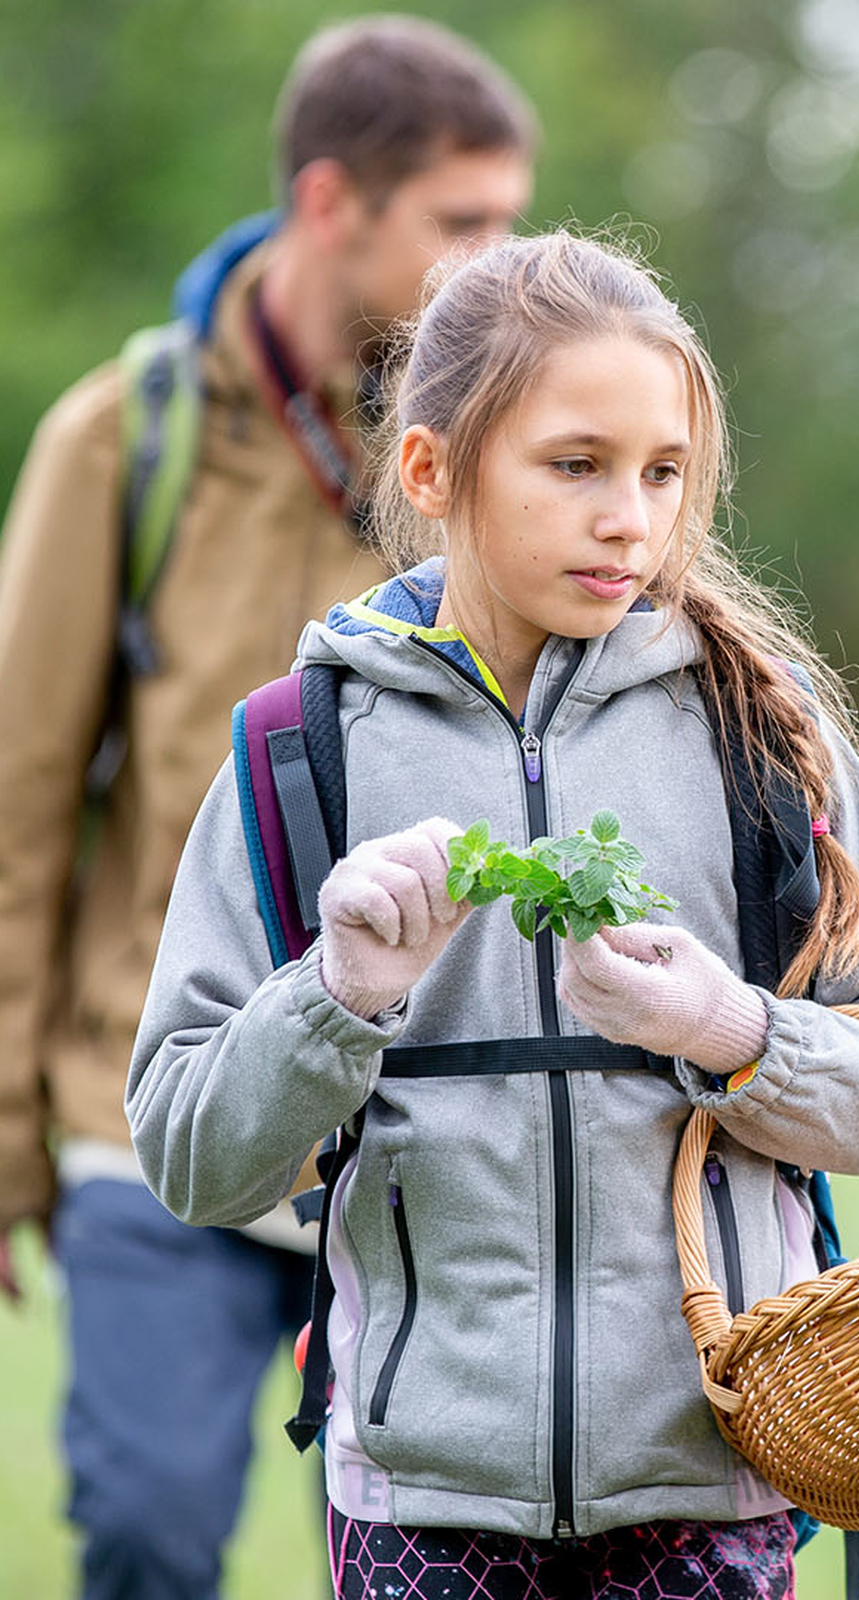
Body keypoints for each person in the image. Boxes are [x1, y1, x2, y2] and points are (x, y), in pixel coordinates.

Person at [124, 229, 859, 1600]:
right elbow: (187, 1155)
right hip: (419, 1495)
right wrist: (333, 999)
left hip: (717, 1475)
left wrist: (739, 1032)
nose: (629, 517)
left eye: (663, 473)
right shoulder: (304, 744)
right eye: (576, 465)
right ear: (431, 468)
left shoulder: (767, 737)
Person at [0, 17, 535, 1598]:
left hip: (413, 1129)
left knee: (407, 1567)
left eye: (513, 219)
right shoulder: (124, 441)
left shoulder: (496, 456)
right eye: (462, 222)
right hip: (145, 1103)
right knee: (150, 1528)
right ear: (329, 203)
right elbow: (19, 812)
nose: (498, 263)